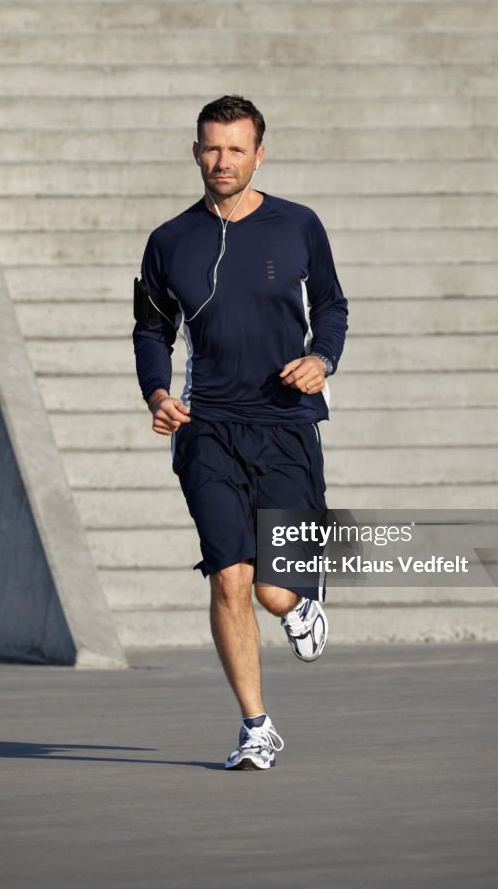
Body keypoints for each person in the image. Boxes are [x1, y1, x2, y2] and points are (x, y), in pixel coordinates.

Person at [133, 95, 348, 770]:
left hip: (285, 423)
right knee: (228, 576)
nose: (221, 161)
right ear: (195, 151)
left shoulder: (298, 225)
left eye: (235, 148)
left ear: (259, 153)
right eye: (210, 147)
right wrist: (159, 392)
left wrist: (322, 359)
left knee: (271, 588)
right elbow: (150, 327)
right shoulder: (170, 240)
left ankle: (299, 601)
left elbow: (332, 304)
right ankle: (256, 727)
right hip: (206, 427)